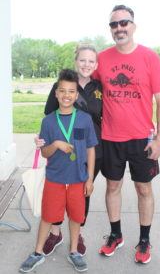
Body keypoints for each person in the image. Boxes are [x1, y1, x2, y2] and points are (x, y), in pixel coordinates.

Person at [93, 5, 160, 264]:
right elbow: (83, 85)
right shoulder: (101, 59)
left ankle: (144, 240)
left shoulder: (150, 57)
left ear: (133, 25)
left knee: (143, 188)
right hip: (110, 137)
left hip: (141, 139)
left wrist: (159, 139)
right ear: (110, 29)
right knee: (112, 186)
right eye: (114, 24)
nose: (119, 28)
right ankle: (115, 234)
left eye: (124, 23)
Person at [19, 69, 98, 273]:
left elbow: (90, 150)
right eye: (62, 90)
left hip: (77, 179)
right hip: (54, 179)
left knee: (75, 217)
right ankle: (37, 252)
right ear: (56, 93)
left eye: (71, 91)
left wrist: (89, 179)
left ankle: (74, 251)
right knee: (48, 216)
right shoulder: (48, 121)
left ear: (76, 95)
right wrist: (55, 144)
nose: (66, 95)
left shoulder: (84, 119)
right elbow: (45, 153)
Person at [35, 44, 102, 257]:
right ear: (76, 61)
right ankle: (55, 233)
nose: (86, 64)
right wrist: (43, 142)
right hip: (60, 155)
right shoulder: (63, 85)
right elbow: (49, 118)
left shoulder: (99, 88)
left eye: (91, 61)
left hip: (90, 149)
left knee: (82, 195)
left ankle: (77, 235)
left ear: (96, 64)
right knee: (56, 197)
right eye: (82, 60)